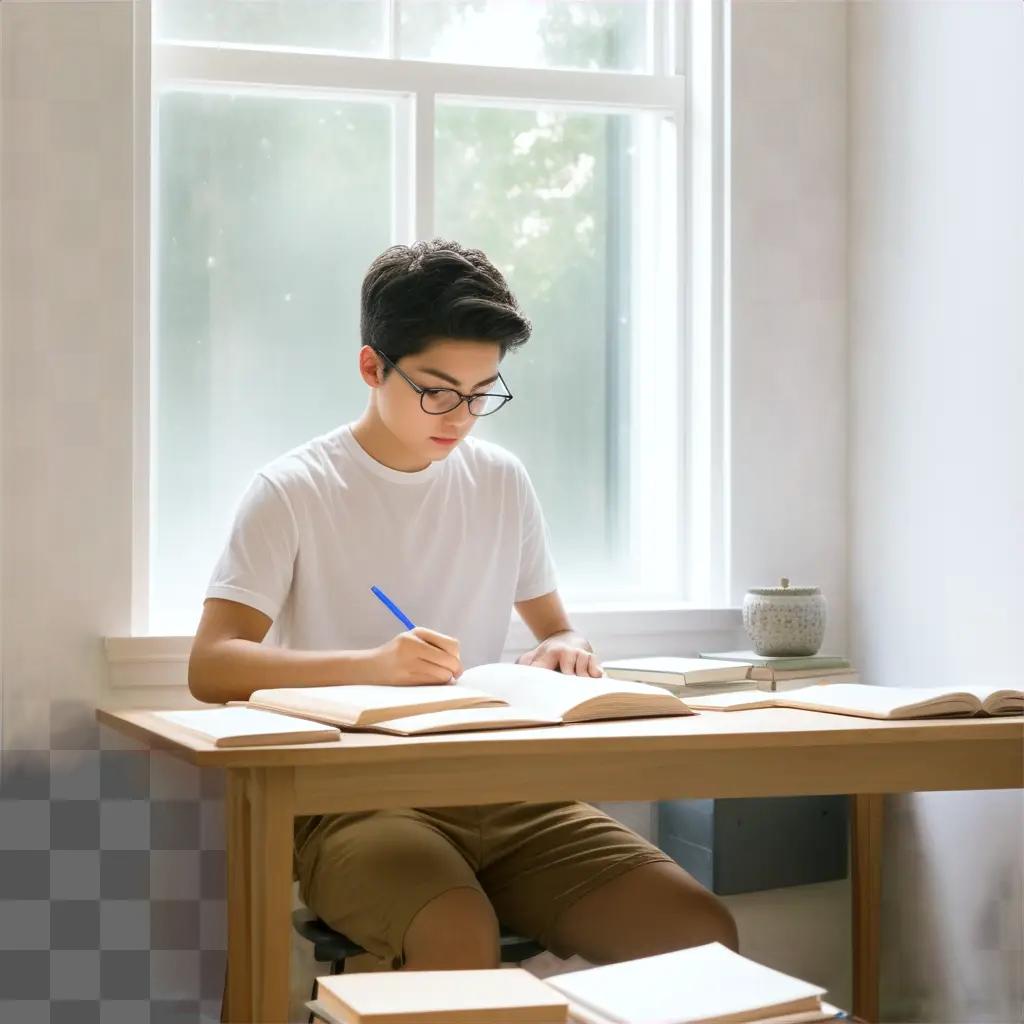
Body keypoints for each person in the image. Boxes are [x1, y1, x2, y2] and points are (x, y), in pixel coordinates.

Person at [188, 238, 737, 971]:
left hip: (509, 796)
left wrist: (564, 650)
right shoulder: (293, 489)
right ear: (371, 367)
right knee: (456, 938)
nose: (461, 416)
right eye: (438, 391)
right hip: (359, 807)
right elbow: (211, 665)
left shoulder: (501, 481)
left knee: (698, 930)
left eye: (483, 394)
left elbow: (558, 624)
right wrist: (373, 668)